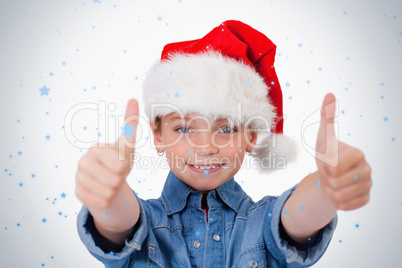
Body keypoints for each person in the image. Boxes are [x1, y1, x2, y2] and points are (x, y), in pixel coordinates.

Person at [75, 20, 372, 267]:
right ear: (157, 136)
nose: (205, 148)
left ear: (251, 137)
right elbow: (119, 222)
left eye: (226, 128)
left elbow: (297, 217)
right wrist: (108, 195)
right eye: (184, 128)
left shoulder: (261, 221)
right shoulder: (146, 220)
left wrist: (325, 187)